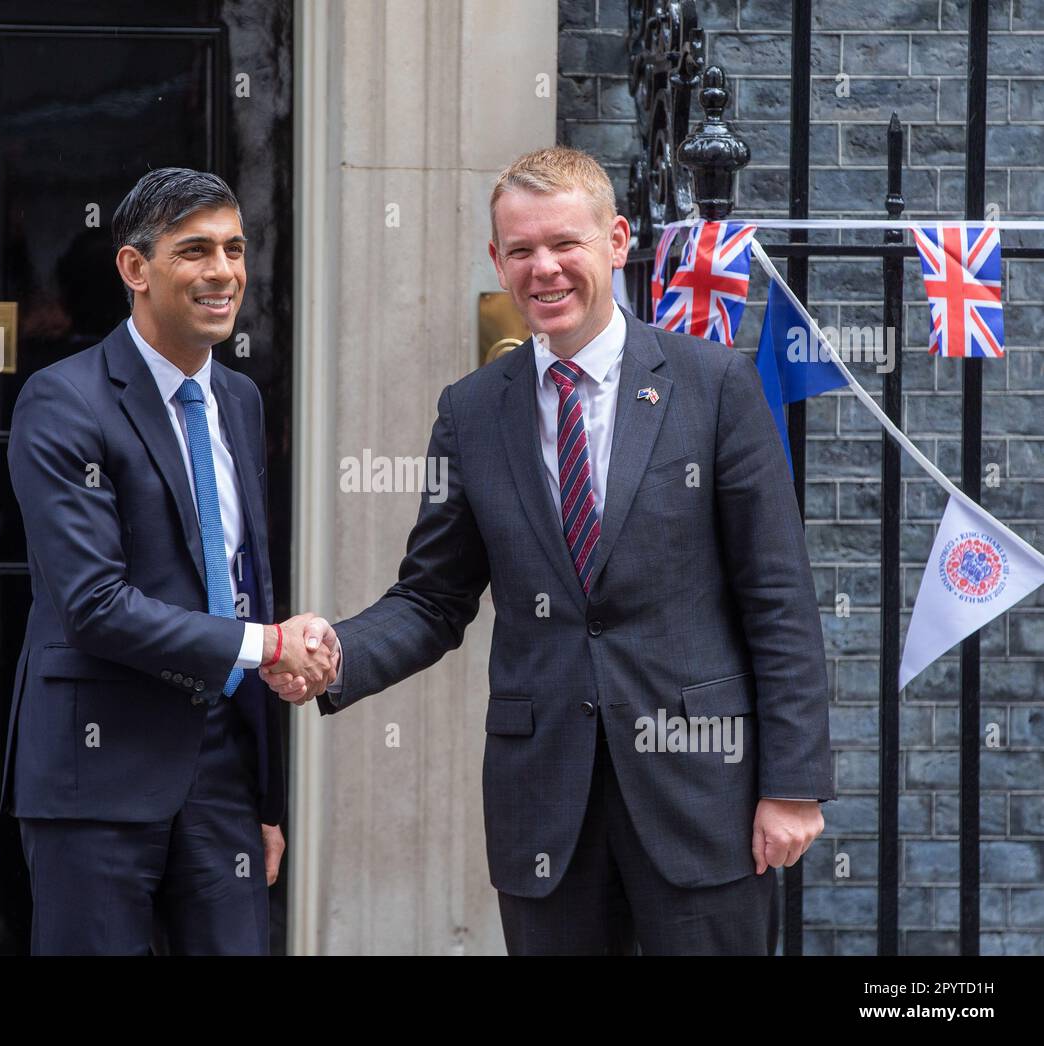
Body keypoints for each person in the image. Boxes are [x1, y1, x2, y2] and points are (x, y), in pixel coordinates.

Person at [264, 146, 833, 956]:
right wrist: (336, 650)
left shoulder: (714, 388)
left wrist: (794, 786)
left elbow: (777, 596)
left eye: (565, 243)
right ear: (497, 260)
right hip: (546, 809)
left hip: (701, 796)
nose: (545, 269)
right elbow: (432, 597)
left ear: (617, 240)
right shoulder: (470, 412)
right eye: (521, 250)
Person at [1, 168, 335, 955]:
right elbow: (95, 604)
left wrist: (264, 798)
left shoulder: (240, 403)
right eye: (194, 251)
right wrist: (270, 647)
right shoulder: (63, 401)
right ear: (135, 269)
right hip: (97, 771)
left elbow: (245, 581)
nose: (223, 272)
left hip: (221, 776)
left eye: (234, 249)